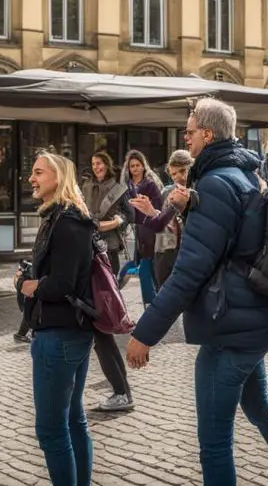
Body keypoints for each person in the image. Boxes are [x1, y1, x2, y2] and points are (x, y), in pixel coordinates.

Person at [125, 98, 268, 486]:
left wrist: (145, 333)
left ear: (208, 134)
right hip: (252, 318)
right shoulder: (245, 175)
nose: (186, 136)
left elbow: (189, 271)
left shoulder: (214, 183)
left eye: (190, 130)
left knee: (214, 440)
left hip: (228, 326)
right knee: (256, 403)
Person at [14, 153, 98, 486]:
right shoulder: (64, 217)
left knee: (50, 429)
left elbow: (63, 283)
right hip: (69, 332)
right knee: (74, 419)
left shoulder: (67, 221)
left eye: (38, 173)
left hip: (59, 335)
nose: (31, 179)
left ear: (57, 177)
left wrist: (30, 285)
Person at [79, 152, 135, 413]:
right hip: (88, 248)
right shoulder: (86, 185)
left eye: (99, 163)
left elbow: (128, 216)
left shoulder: (118, 188)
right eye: (93, 164)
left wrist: (112, 222)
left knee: (102, 321)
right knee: (100, 332)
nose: (96, 166)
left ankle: (122, 391)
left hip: (107, 250)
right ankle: (121, 390)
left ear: (107, 165)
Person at [129, 149, 193, 287]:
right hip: (164, 251)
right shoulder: (167, 192)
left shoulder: (197, 191)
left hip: (187, 253)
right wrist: (150, 211)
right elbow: (160, 220)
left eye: (182, 171)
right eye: (173, 174)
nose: (178, 177)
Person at [122, 149, 162, 308]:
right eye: (132, 166)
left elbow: (158, 208)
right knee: (137, 263)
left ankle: (152, 301)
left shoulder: (150, 185)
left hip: (149, 229)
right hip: (133, 230)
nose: (135, 168)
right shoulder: (128, 185)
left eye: (138, 165)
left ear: (143, 166)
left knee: (147, 264)